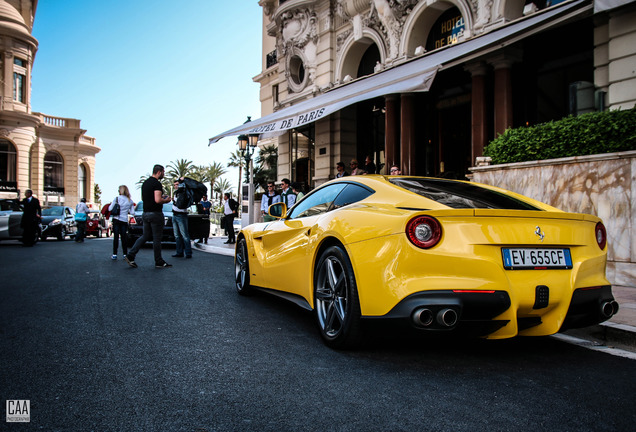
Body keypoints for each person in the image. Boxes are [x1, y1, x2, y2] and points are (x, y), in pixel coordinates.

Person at [125, 164, 173, 269]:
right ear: (159, 172)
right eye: (163, 172)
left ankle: (131, 254)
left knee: (145, 236)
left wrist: (160, 197)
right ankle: (158, 261)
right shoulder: (157, 184)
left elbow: (146, 198)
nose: (163, 175)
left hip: (145, 213)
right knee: (157, 238)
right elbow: (157, 200)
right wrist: (166, 200)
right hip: (155, 214)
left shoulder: (145, 183)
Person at [109, 185, 135, 260]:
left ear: (120, 191)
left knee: (116, 237)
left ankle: (114, 254)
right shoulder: (130, 201)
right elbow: (133, 212)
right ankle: (125, 254)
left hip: (116, 219)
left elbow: (110, 208)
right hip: (124, 220)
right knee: (124, 237)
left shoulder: (117, 199)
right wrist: (126, 210)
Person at [171, 178, 192, 258]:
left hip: (181, 215)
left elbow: (181, 205)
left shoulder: (184, 193)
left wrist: (182, 179)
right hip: (175, 215)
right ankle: (179, 252)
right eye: (175, 185)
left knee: (184, 235)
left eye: (177, 184)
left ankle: (188, 253)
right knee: (177, 235)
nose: (176, 186)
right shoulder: (176, 193)